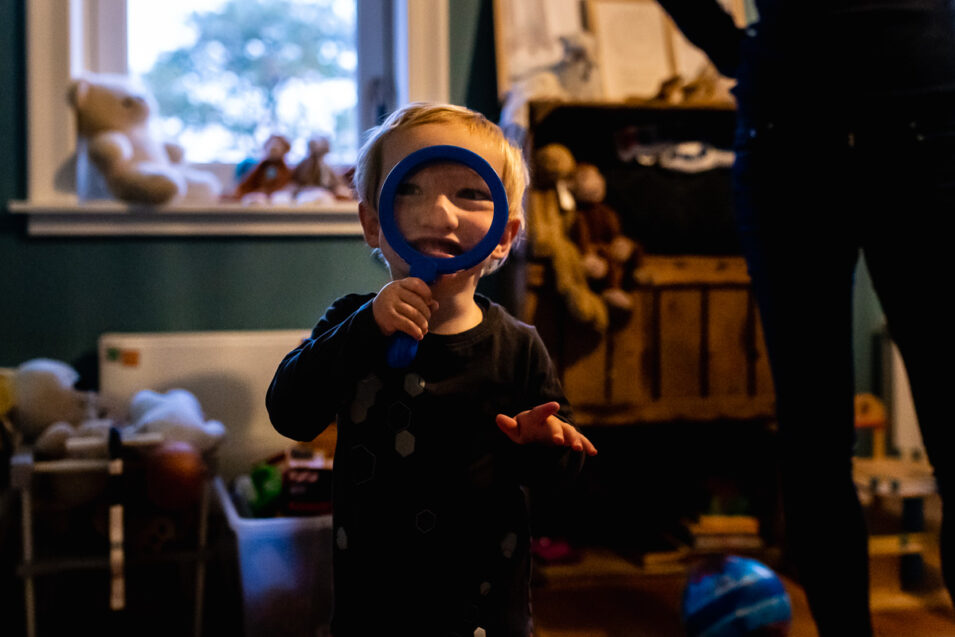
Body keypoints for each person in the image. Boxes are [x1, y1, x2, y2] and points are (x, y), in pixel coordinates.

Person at [654, 1, 955, 635]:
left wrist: (742, 53)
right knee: (815, 435)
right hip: (808, 128)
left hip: (901, 118)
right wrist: (735, 52)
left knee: (822, 435)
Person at [266, 102, 597, 637]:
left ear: (505, 236)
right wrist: (365, 329)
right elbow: (290, 413)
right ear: (373, 223)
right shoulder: (348, 323)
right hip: (373, 610)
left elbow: (560, 489)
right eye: (409, 189)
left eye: (470, 193)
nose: (439, 214)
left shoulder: (519, 348)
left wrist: (545, 446)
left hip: (487, 613)